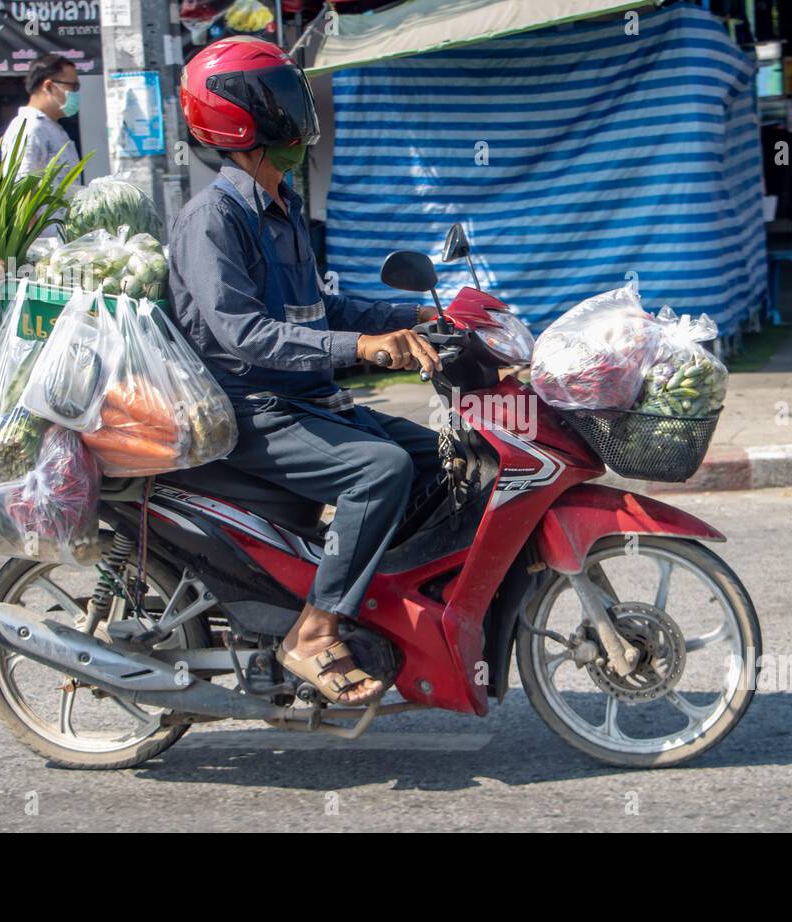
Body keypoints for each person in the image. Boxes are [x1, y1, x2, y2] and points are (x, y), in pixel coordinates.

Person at [169, 37, 442, 706]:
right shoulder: (213, 219)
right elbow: (247, 334)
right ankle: (314, 632)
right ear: (243, 122)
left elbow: (324, 305)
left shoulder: (283, 207)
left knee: (440, 457)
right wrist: (361, 349)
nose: (301, 117)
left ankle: (375, 597)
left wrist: (419, 319)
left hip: (303, 397)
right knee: (381, 470)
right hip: (250, 409)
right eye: (283, 103)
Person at [0, 53, 83, 182]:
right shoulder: (29, 128)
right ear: (49, 87)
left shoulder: (51, 126)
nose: (76, 93)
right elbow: (21, 186)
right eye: (74, 87)